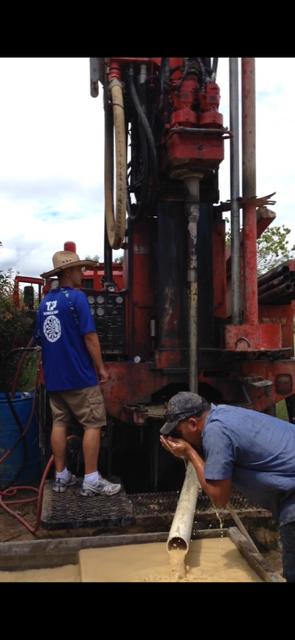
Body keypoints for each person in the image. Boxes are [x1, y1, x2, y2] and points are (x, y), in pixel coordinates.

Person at [159, 391, 295, 582]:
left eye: (178, 433)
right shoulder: (222, 413)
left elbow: (220, 497)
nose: (178, 438)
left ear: (192, 423)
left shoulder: (215, 432)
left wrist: (190, 453)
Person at [34, 250, 121, 497]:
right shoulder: (77, 298)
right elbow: (90, 336)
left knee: (59, 422)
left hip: (54, 378)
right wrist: (101, 367)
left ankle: (61, 477)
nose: (82, 274)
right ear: (68, 272)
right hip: (79, 376)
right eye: (79, 270)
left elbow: (41, 338)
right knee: (93, 423)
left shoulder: (44, 304)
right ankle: (91, 478)